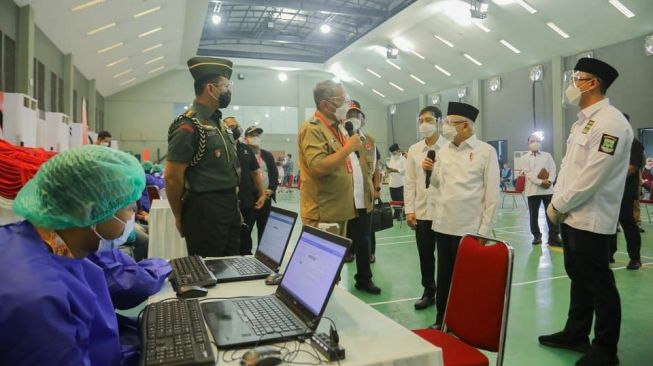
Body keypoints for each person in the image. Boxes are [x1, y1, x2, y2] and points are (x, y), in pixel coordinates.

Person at [0, 145, 172, 365]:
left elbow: (92, 335)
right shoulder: (40, 299)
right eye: (129, 208)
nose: (132, 218)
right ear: (91, 210)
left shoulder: (48, 245)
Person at [539, 58, 631, 366]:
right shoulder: (584, 121)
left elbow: (593, 176)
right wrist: (562, 207)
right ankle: (575, 333)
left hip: (591, 217)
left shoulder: (611, 122)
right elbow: (570, 171)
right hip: (573, 217)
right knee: (579, 278)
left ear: (592, 83)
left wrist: (557, 206)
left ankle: (606, 349)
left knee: (599, 283)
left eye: (576, 78)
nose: (572, 84)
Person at [424, 101, 499, 329]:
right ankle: (442, 320)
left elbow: (491, 195)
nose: (445, 126)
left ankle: (466, 323)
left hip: (468, 229)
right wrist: (429, 170)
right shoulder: (444, 150)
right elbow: (438, 183)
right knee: (444, 278)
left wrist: (484, 231)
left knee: (468, 281)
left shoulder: (485, 152)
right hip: (443, 225)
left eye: (450, 123)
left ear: (465, 126)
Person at [165, 56, 241, 257]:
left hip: (229, 204)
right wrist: (179, 215)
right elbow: (172, 177)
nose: (229, 90)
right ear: (210, 89)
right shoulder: (188, 126)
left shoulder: (218, 122)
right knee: (209, 269)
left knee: (232, 264)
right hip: (205, 209)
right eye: (226, 85)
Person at [298, 79, 361, 237]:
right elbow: (317, 168)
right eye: (343, 100)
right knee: (321, 261)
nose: (347, 104)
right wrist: (348, 148)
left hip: (337, 211)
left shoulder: (337, 126)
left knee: (336, 261)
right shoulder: (313, 129)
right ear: (325, 105)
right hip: (323, 214)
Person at [405, 105, 446, 310]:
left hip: (445, 212)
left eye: (428, 120)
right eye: (421, 120)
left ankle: (447, 295)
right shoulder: (414, 150)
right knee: (425, 254)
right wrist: (409, 210)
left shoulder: (449, 148)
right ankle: (429, 291)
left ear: (439, 121)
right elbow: (410, 182)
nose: (424, 124)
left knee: (447, 257)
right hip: (422, 211)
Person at [341, 100, 381, 294]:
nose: (354, 119)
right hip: (342, 199)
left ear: (363, 120)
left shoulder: (369, 141)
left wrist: (376, 187)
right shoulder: (338, 138)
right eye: (350, 115)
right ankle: (328, 282)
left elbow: (375, 167)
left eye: (357, 115)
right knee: (336, 240)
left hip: (363, 199)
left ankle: (364, 279)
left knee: (364, 241)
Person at [223, 117, 266, 255]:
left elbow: (256, 172)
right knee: (231, 240)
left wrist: (262, 193)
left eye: (236, 125)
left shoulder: (245, 149)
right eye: (230, 126)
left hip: (247, 202)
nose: (235, 128)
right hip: (228, 204)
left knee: (246, 237)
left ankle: (247, 265)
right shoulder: (221, 148)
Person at [608, 114, 644, 269]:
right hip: (610, 189)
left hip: (625, 190)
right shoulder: (612, 142)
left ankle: (635, 257)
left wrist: (612, 176)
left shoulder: (634, 143)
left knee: (627, 222)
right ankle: (608, 254)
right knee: (609, 222)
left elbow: (632, 167)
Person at [520, 134, 562, 246]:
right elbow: (528, 174)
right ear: (528, 143)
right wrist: (540, 182)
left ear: (540, 143)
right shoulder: (524, 158)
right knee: (534, 216)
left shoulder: (547, 155)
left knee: (551, 214)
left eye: (537, 141)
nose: (535, 143)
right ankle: (537, 236)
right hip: (532, 191)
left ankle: (554, 237)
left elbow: (553, 168)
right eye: (532, 141)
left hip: (548, 190)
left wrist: (550, 180)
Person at [244, 125, 279, 244]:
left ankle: (262, 258)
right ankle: (245, 256)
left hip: (266, 198)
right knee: (246, 230)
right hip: (251, 200)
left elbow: (274, 173)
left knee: (265, 231)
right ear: (246, 138)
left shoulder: (267, 155)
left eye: (257, 135)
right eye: (252, 135)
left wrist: (271, 189)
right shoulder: (243, 155)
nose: (255, 138)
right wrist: (258, 192)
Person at [386, 143, 406, 220]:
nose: (394, 155)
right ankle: (396, 213)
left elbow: (404, 170)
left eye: (394, 153)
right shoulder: (392, 158)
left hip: (401, 183)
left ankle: (402, 214)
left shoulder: (403, 159)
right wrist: (388, 170)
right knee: (394, 200)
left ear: (398, 150)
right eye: (392, 153)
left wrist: (394, 170)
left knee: (401, 200)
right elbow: (390, 167)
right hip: (392, 183)